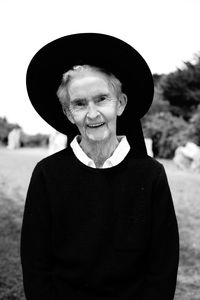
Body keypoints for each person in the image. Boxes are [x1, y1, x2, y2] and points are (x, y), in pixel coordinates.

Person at [21, 33, 179, 300]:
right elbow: (35, 264)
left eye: (102, 99)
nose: (92, 113)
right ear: (69, 114)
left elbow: (162, 264)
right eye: (80, 104)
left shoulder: (150, 174)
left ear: (121, 104)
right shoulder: (47, 174)